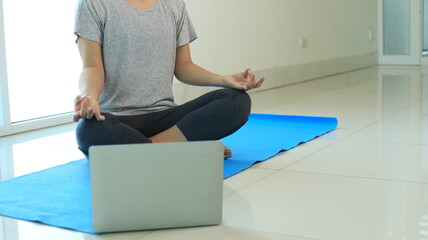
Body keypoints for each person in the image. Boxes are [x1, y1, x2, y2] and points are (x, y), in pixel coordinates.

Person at [73, 0, 265, 159]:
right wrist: (90, 97)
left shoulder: (174, 4)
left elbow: (184, 67)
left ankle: (153, 148)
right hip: (117, 122)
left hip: (165, 118)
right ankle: (182, 147)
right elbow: (92, 66)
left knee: (237, 101)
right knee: (87, 129)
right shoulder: (93, 3)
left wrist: (224, 80)